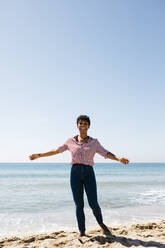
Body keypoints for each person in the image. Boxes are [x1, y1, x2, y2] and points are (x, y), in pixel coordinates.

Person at [29, 115, 129, 237]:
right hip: (75, 173)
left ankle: (102, 224)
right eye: (80, 123)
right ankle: (82, 231)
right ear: (77, 125)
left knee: (93, 203)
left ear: (89, 126)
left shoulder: (94, 142)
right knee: (79, 204)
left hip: (88, 172)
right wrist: (39, 155)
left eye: (85, 124)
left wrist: (119, 158)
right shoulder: (70, 141)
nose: (83, 125)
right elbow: (56, 150)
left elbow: (105, 153)